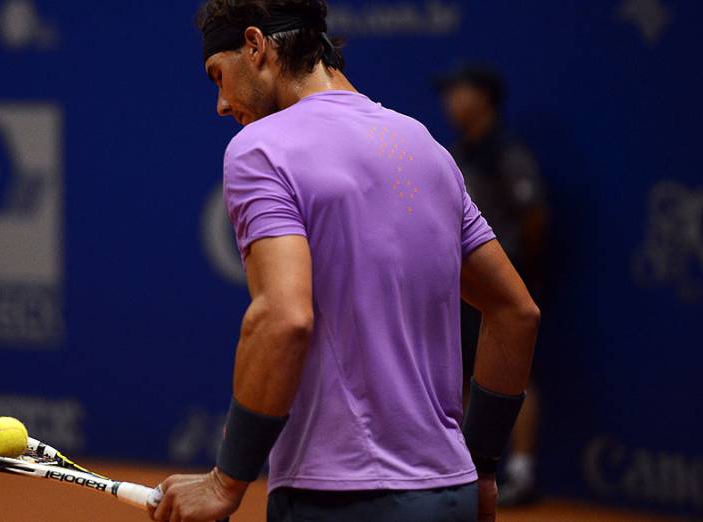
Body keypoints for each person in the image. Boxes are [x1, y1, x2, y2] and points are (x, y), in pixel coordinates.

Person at [149, 2, 539, 521]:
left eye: (218, 76)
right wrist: (484, 467)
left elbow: (283, 318)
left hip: (339, 500)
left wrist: (226, 480)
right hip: (450, 495)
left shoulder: (260, 149)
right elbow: (517, 313)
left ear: (255, 46)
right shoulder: (426, 147)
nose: (221, 103)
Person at [436, 66, 549, 506]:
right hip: (461, 285)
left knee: (517, 375)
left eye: (456, 91)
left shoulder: (508, 153)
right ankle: (467, 470)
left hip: (505, 284)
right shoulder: (455, 152)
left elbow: (534, 216)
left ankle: (521, 472)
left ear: (482, 97)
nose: (450, 101)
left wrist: (516, 268)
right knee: (462, 372)